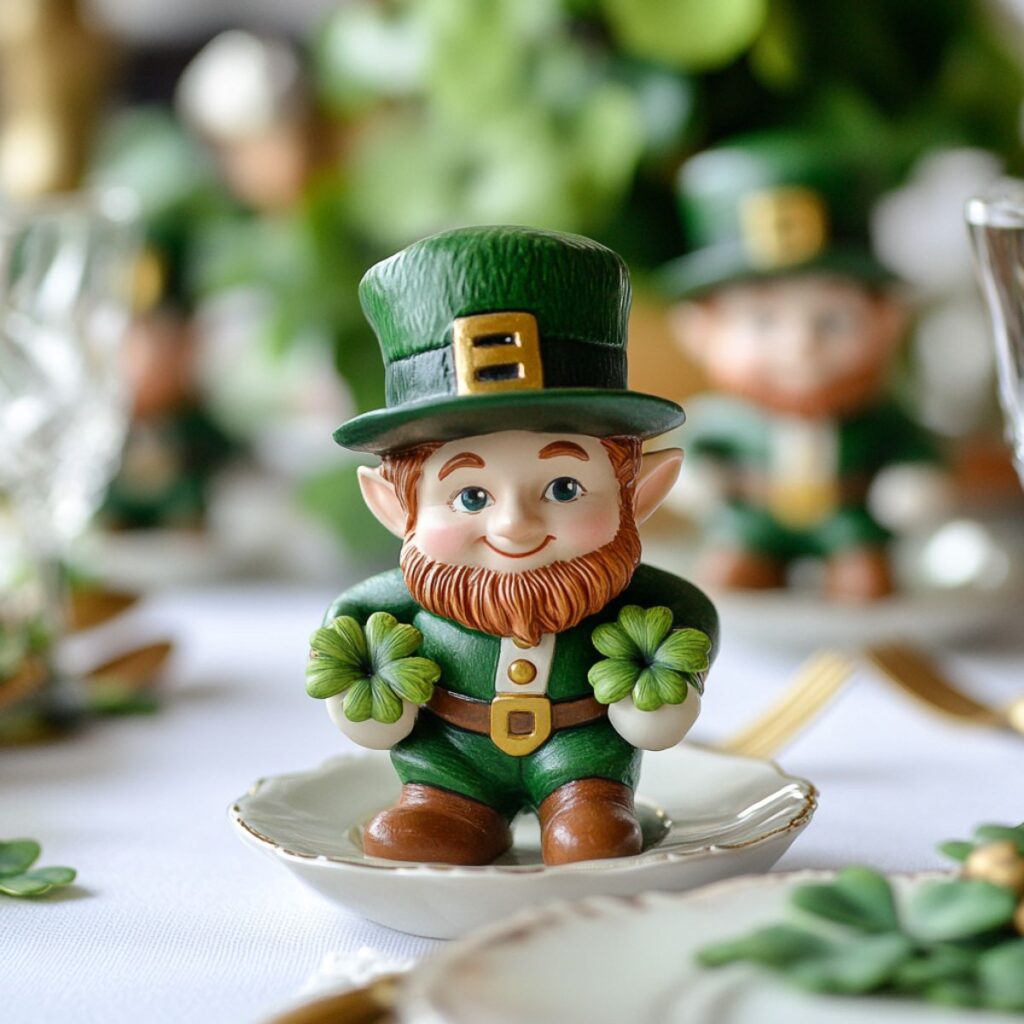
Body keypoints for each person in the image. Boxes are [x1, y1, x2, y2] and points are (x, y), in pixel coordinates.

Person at [309, 226, 718, 866]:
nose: (514, 527)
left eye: (563, 486)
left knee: (592, 839)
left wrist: (663, 695)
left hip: (582, 754)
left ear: (639, 493)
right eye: (471, 496)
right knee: (418, 836)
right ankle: (446, 808)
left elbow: (688, 622)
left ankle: (587, 803)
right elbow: (351, 637)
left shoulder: (650, 605)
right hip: (453, 757)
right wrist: (365, 701)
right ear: (395, 506)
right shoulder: (385, 609)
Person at [659, 133, 950, 600]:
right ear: (699, 332)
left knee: (865, 582)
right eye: (762, 320)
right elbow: (692, 452)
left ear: (887, 322)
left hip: (847, 518)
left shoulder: (876, 418)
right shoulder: (725, 420)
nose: (800, 346)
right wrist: (696, 479)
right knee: (728, 579)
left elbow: (912, 449)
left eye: (832, 320)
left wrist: (911, 483)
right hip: (751, 519)